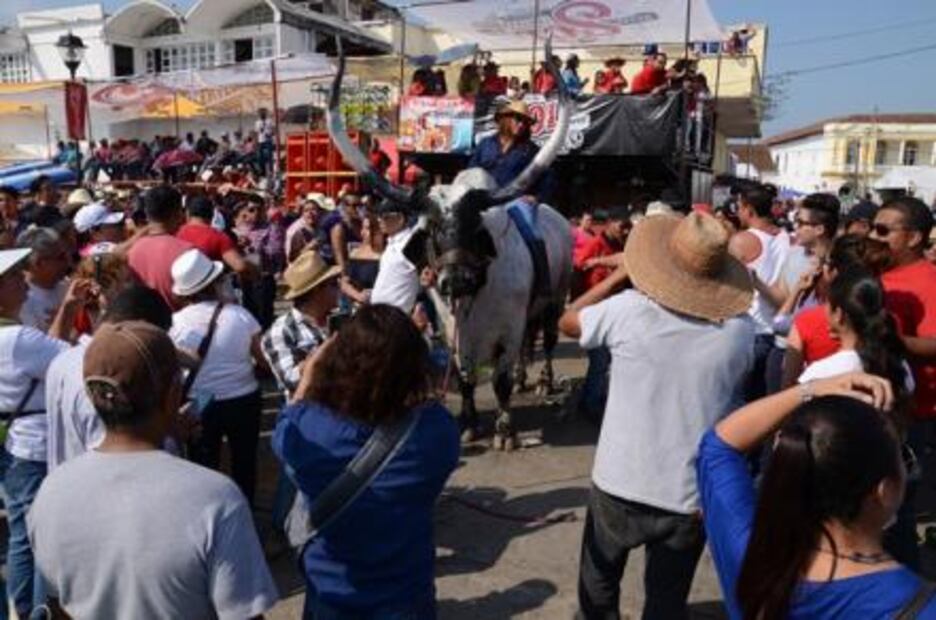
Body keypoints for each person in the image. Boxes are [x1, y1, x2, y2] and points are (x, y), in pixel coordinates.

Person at [558, 212, 755, 619]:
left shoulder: (628, 311)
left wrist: (618, 278)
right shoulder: (739, 333)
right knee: (666, 601)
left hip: (618, 479)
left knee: (598, 585)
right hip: (687, 493)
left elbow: (568, 320)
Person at [29, 321, 278, 619]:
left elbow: (60, 606)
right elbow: (243, 614)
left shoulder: (52, 491)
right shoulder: (215, 497)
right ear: (172, 394)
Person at [697, 372, 936, 619]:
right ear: (883, 490)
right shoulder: (922, 607)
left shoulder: (751, 554)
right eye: (904, 458)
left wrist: (809, 390)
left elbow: (719, 446)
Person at [273, 304, 459, 618]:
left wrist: (309, 375)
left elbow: (288, 425)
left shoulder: (309, 431)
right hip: (407, 599)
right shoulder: (437, 433)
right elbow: (429, 402)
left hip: (331, 598)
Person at [0, 247, 89, 618]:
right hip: (34, 445)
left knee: (23, 532)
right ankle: (34, 610)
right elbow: (72, 359)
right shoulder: (18, 338)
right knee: (36, 537)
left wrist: (68, 308)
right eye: (14, 278)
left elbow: (50, 350)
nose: (24, 283)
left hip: (14, 440)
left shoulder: (16, 336)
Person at [169, 248, 268, 505]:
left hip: (200, 399)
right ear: (215, 283)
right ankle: (245, 508)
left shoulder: (176, 322)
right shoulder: (241, 316)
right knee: (244, 460)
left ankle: (209, 511)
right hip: (244, 395)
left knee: (204, 462)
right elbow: (264, 359)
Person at [45, 285, 172, 472]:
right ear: (140, 331)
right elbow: (115, 459)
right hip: (105, 492)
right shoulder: (110, 375)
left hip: (67, 486)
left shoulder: (62, 362)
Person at [870, 197, 936, 420]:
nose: (872, 236)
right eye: (872, 228)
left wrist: (893, 340)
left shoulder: (929, 282)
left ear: (914, 238)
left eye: (882, 230)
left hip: (917, 414)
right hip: (875, 408)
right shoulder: (875, 271)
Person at [730, 184, 791, 400]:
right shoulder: (788, 238)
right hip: (780, 330)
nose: (737, 212)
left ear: (749, 209)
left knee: (739, 401)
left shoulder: (741, 241)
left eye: (739, 207)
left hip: (751, 329)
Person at [572, 206, 631, 423]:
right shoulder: (595, 244)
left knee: (606, 361)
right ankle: (590, 405)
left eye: (627, 227)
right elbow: (578, 267)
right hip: (595, 310)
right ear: (610, 223)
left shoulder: (622, 245)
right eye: (622, 226)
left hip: (615, 310)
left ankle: (591, 399)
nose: (625, 230)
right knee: (599, 361)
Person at [127, 186, 194, 310]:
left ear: (147, 214)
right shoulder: (187, 252)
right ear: (179, 213)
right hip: (178, 325)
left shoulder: (133, 251)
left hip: (144, 323)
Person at [469, 99, 552, 199]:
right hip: (483, 201)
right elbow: (471, 172)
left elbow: (547, 178)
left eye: (525, 122)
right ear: (506, 119)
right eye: (518, 119)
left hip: (513, 203)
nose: (521, 125)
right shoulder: (485, 144)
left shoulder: (531, 150)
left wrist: (536, 197)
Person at [231, 199, 285, 329]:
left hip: (263, 278)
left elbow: (274, 251)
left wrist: (252, 246)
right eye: (251, 210)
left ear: (264, 209)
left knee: (263, 319)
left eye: (257, 209)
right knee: (246, 316)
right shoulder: (242, 228)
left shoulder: (272, 228)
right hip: (244, 278)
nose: (254, 213)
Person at [176, 195, 252, 278]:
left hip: (179, 286)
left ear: (187, 214)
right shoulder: (219, 237)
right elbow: (240, 267)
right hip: (209, 287)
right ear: (212, 215)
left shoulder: (175, 233)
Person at [370, 200, 420, 314]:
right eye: (378, 216)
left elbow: (425, 277)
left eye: (384, 216)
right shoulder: (392, 242)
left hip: (396, 315)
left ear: (400, 219)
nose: (379, 220)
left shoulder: (411, 242)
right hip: (381, 314)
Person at [286, 193, 332, 263]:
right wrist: (307, 248)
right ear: (302, 214)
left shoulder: (324, 229)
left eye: (313, 209)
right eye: (306, 211)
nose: (310, 213)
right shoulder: (297, 232)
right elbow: (291, 260)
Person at [256, 108, 276, 176]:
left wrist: (271, 133)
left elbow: (274, 129)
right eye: (260, 113)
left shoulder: (269, 121)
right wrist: (261, 128)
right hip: (261, 140)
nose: (262, 114)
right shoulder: (257, 122)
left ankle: (271, 170)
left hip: (268, 139)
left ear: (265, 114)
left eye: (263, 113)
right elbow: (258, 131)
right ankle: (263, 171)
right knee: (260, 157)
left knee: (270, 156)